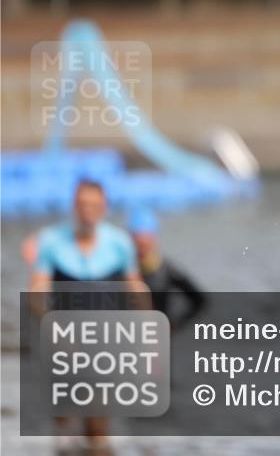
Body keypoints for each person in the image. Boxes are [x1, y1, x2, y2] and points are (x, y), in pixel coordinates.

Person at [29, 179, 148, 454]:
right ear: (74, 206)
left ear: (103, 207)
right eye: (82, 204)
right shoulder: (52, 241)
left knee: (97, 424)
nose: (87, 210)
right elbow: (36, 293)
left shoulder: (119, 243)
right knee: (65, 419)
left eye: (94, 205)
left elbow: (137, 290)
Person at [127, 207, 206, 330]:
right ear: (130, 239)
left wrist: (175, 323)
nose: (142, 242)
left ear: (154, 238)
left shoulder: (166, 268)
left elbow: (200, 300)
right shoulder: (121, 270)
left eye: (146, 238)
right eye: (137, 238)